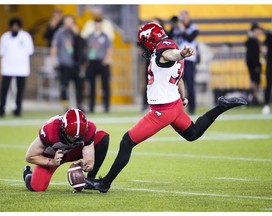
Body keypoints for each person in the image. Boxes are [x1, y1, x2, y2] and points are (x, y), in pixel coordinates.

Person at [85, 23, 247, 193]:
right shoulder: (168, 45)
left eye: (143, 42)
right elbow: (179, 78)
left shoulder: (165, 50)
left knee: (127, 142)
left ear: (150, 39)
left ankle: (105, 184)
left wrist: (181, 54)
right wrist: (183, 97)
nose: (143, 46)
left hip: (162, 110)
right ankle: (221, 107)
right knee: (192, 134)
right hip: (175, 105)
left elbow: (171, 55)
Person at [23, 108, 110, 192]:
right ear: (63, 129)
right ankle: (28, 173)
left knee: (103, 137)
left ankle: (90, 181)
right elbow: (30, 156)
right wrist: (51, 162)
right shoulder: (50, 129)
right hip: (52, 155)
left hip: (73, 151)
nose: (75, 140)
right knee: (37, 187)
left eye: (80, 137)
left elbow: (89, 161)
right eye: (71, 137)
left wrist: (86, 165)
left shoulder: (89, 129)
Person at [0, 17, 34, 117]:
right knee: (4, 90)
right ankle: (1, 109)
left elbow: (30, 51)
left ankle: (18, 110)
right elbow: (1, 52)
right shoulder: (5, 37)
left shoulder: (25, 37)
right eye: (13, 26)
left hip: (21, 69)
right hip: (7, 69)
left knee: (20, 91)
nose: (15, 28)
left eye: (17, 26)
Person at [51, 15, 86, 111]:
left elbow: (82, 47)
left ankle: (80, 105)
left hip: (76, 65)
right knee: (64, 86)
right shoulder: (59, 33)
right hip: (64, 64)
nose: (69, 24)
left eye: (70, 22)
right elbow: (54, 47)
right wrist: (53, 61)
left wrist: (77, 35)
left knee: (79, 86)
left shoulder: (76, 33)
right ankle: (65, 106)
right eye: (67, 22)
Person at [168, 10, 199, 114]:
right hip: (177, 58)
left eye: (184, 17)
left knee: (189, 84)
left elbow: (190, 38)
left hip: (189, 60)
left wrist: (181, 27)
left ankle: (192, 107)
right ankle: (176, 106)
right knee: (176, 83)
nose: (182, 19)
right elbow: (169, 37)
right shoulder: (176, 28)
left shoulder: (193, 28)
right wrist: (174, 26)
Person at [85, 17, 113, 113]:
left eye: (100, 23)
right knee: (91, 85)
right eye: (96, 23)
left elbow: (109, 48)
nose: (98, 25)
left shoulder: (106, 36)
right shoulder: (89, 36)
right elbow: (86, 49)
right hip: (92, 62)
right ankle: (91, 106)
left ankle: (106, 106)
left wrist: (107, 59)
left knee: (105, 85)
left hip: (103, 62)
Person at [245, 22, 263, 106]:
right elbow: (255, 53)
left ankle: (253, 98)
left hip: (253, 63)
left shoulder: (251, 39)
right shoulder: (252, 40)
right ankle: (250, 98)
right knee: (254, 81)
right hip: (254, 63)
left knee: (255, 81)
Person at [262, 28, 272, 114]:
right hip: (270, 65)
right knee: (268, 85)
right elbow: (265, 43)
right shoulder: (269, 36)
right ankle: (266, 105)